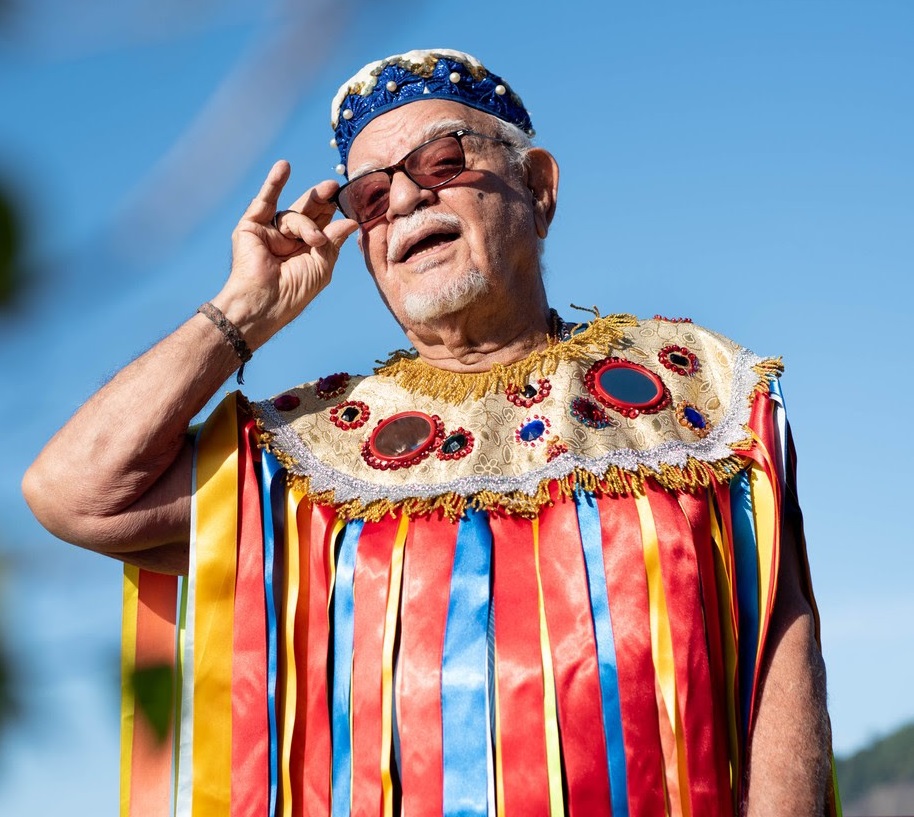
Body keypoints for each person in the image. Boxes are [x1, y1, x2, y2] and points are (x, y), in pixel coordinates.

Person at [23, 49, 837, 816]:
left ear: (539, 186)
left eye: (442, 163)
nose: (406, 199)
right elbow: (78, 493)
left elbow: (780, 646)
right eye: (369, 197)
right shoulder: (312, 453)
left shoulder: (697, 388)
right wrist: (244, 311)